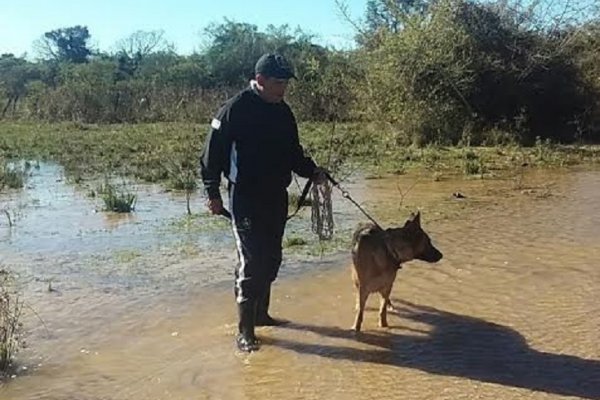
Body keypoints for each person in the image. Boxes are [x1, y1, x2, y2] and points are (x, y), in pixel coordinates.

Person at [200, 53, 326, 352]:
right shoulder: (234, 109)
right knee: (252, 260)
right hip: (244, 197)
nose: (283, 88)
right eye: (278, 82)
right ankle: (245, 332)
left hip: (276, 196)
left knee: (271, 259)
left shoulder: (283, 112)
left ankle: (262, 315)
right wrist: (212, 193)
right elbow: (210, 155)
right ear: (260, 80)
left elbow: (294, 153)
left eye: (286, 83)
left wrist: (313, 171)